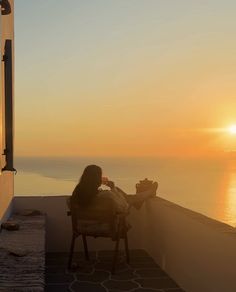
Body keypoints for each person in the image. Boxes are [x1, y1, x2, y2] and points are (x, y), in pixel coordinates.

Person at [71, 165, 158, 213]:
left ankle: (141, 197)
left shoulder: (76, 196)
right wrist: (113, 188)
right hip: (109, 227)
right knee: (127, 199)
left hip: (82, 228)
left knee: (125, 196)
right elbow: (124, 206)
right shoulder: (106, 196)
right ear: (97, 179)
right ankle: (150, 191)